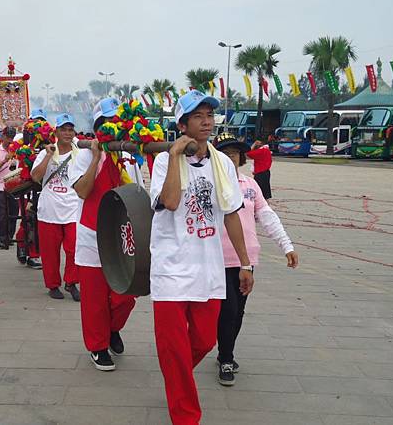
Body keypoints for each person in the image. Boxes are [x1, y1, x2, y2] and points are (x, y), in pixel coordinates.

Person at [149, 91, 252, 425]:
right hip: (170, 269)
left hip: (209, 269)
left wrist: (244, 262)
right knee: (174, 348)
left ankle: (175, 378)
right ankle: (186, 416)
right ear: (182, 124)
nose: (207, 122)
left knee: (206, 341)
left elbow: (232, 214)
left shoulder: (222, 163)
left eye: (210, 115)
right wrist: (177, 153)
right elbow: (172, 201)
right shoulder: (165, 160)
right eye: (198, 116)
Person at [213, 132, 299, 386]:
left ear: (241, 158)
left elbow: (267, 216)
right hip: (217, 259)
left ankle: (224, 351)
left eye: (235, 153)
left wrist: (287, 246)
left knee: (238, 311)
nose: (230, 158)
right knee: (227, 310)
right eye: (224, 154)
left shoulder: (250, 186)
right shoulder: (211, 184)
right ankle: (226, 358)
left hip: (246, 260)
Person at [70, 97, 143, 371]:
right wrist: (97, 157)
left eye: (116, 123)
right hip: (92, 234)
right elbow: (82, 191)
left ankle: (112, 328)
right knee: (95, 298)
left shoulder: (128, 156)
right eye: (106, 123)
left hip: (122, 234)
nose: (112, 128)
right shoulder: (85, 155)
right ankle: (98, 346)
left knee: (127, 295)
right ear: (98, 127)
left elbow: (138, 193)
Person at [31, 113, 80, 301]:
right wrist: (49, 156)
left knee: (74, 247)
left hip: (73, 207)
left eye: (70, 129)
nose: (67, 133)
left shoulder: (79, 152)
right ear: (56, 132)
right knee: (50, 251)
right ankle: (53, 284)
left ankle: (71, 282)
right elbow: (35, 176)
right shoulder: (46, 153)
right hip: (49, 209)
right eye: (63, 130)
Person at [0, 127, 18, 249]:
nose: (10, 140)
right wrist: (4, 161)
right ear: (3, 136)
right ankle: (2, 238)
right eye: (8, 137)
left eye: (12, 137)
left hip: (15, 185)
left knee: (14, 212)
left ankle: (10, 236)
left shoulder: (18, 150)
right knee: (3, 212)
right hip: (1, 185)